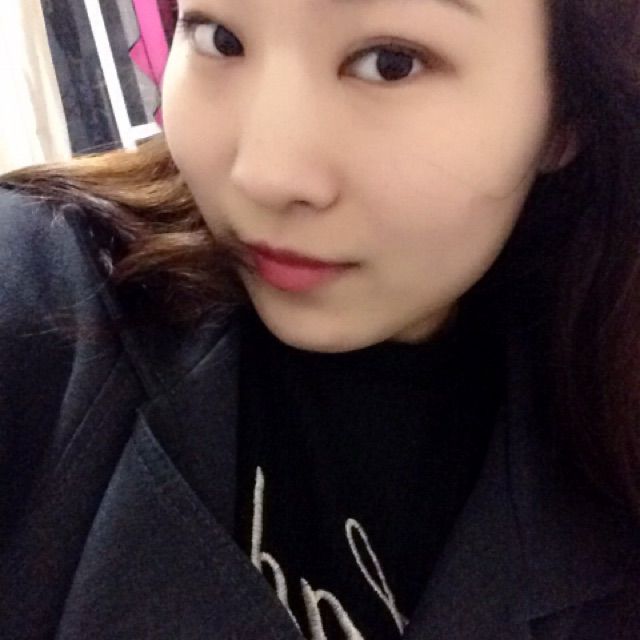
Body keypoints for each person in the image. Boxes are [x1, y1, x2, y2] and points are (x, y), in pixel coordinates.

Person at [1, 0, 639, 638]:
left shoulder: (606, 437)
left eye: (391, 63)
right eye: (220, 38)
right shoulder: (45, 300)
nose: (265, 176)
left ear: (565, 110)